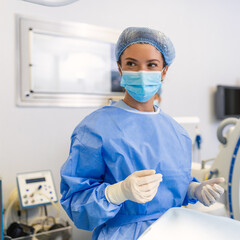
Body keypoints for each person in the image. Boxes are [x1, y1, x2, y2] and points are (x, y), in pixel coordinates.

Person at [60, 27, 225, 240]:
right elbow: (76, 205)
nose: (141, 72)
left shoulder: (177, 132)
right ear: (120, 68)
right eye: (131, 64)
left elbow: (173, 186)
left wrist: (193, 189)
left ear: (164, 71)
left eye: (152, 65)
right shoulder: (94, 130)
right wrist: (116, 193)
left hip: (176, 231)